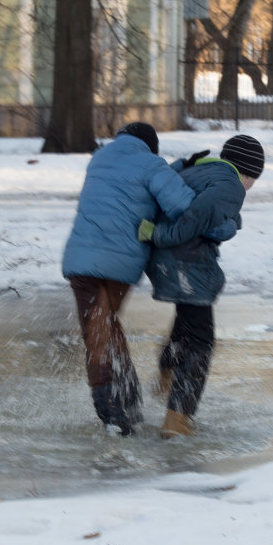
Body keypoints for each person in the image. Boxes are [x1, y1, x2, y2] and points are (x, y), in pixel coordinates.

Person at [62, 122, 198, 436]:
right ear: (151, 146)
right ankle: (123, 407)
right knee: (105, 327)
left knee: (98, 331)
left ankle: (118, 410)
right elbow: (182, 205)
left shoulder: (99, 158)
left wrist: (171, 168)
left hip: (81, 261)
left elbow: (128, 177)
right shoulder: (152, 165)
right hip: (120, 266)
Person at [137, 134, 265, 439]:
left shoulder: (198, 170)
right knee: (201, 342)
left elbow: (191, 208)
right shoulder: (230, 184)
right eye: (254, 179)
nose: (250, 186)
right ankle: (178, 420)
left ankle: (166, 377)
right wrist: (159, 235)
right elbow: (194, 218)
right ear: (248, 172)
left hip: (167, 261)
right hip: (184, 261)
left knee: (188, 320)